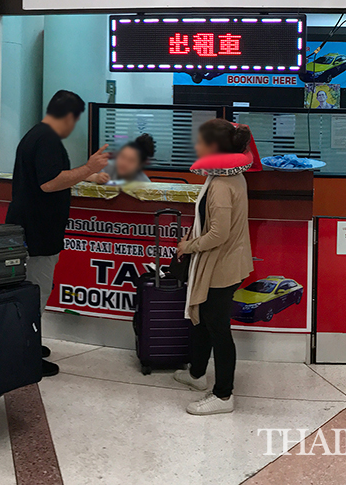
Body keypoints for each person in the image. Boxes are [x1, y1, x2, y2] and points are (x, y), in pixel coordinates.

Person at [6, 90, 110, 377]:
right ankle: (26, 356)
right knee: (35, 293)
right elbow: (49, 183)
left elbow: (53, 173)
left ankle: (28, 343)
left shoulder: (37, 134)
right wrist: (89, 166)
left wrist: (88, 174)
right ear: (67, 116)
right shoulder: (48, 139)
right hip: (37, 233)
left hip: (32, 228)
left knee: (31, 291)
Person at [173, 119, 256, 416]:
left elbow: (218, 234)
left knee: (218, 329)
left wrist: (188, 247)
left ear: (214, 147)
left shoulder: (221, 185)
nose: (196, 147)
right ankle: (197, 375)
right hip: (222, 262)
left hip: (221, 267)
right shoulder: (227, 175)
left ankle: (223, 396)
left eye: (200, 142)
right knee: (205, 322)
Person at [87, 133, 154, 184]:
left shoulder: (142, 180)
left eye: (132, 161)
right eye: (123, 157)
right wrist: (96, 177)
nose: (125, 163)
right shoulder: (108, 165)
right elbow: (83, 175)